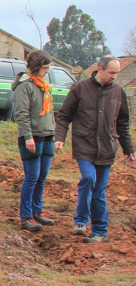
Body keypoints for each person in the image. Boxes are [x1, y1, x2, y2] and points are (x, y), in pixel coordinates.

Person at [55, 55, 134, 243]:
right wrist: (60, 138)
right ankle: (81, 221)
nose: (115, 76)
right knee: (89, 178)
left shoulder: (118, 92)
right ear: (99, 69)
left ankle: (100, 231)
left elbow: (122, 123)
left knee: (99, 190)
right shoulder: (80, 88)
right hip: (85, 145)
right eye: (111, 72)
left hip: (107, 147)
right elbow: (64, 115)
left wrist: (128, 148)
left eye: (117, 73)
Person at [12, 50, 58, 233]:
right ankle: (26, 217)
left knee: (42, 176)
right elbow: (21, 114)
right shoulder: (25, 86)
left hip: (46, 135)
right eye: (45, 68)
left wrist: (52, 133)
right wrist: (28, 137)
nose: (47, 71)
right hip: (31, 137)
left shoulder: (44, 85)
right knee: (32, 177)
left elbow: (48, 111)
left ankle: (37, 211)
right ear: (36, 67)